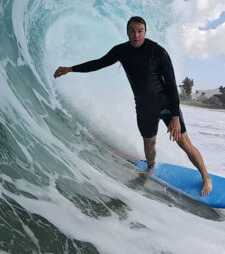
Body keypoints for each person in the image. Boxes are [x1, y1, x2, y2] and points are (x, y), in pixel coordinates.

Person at [53, 16, 213, 196]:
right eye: (132, 31)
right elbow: (99, 63)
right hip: (144, 107)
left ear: (145, 32)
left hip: (165, 104)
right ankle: (151, 167)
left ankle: (206, 177)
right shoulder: (121, 51)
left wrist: (175, 116)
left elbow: (172, 86)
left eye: (140, 31)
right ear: (127, 31)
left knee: (183, 142)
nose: (136, 35)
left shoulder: (158, 52)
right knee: (148, 144)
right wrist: (70, 68)